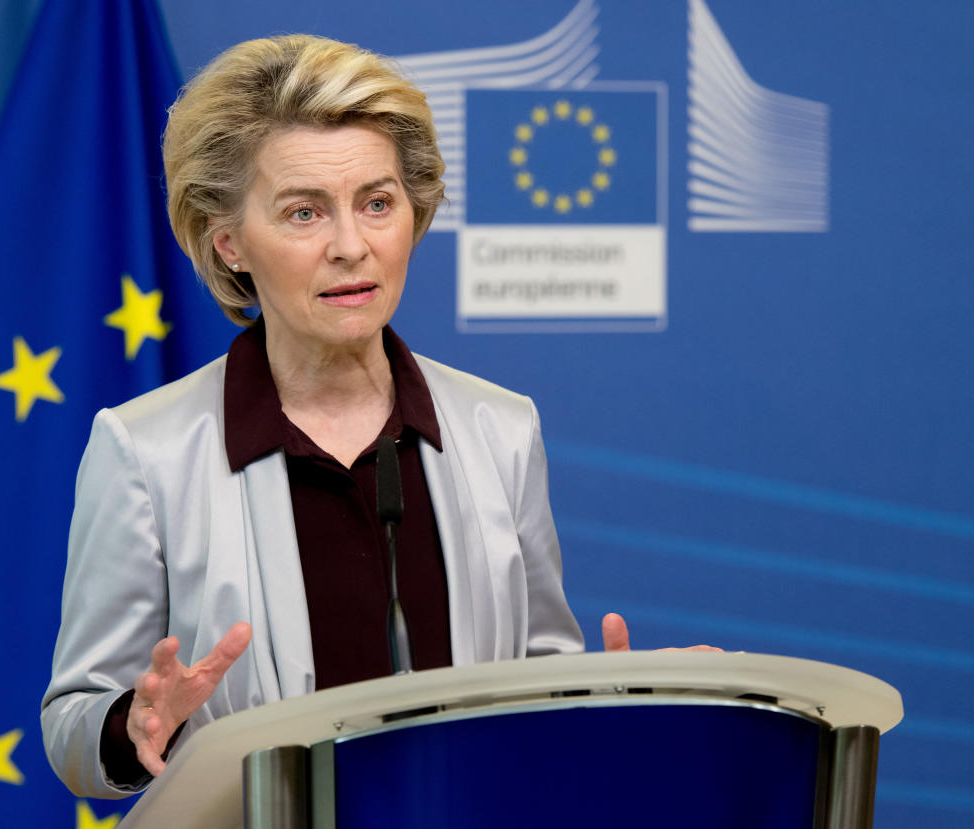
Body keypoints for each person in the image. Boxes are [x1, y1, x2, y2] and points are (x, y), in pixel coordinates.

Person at [40, 34, 706, 801]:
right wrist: (134, 724)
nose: (351, 246)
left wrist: (628, 699)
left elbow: (538, 685)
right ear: (230, 244)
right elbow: (74, 725)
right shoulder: (145, 450)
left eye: (378, 203)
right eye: (303, 212)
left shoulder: (500, 429)